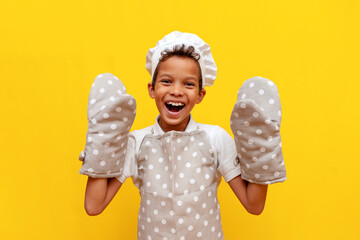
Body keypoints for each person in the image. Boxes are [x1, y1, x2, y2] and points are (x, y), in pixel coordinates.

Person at [80, 31, 286, 240]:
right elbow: (93, 205)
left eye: (188, 84)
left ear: (200, 95)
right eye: (167, 81)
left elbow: (254, 205)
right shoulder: (137, 142)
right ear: (152, 89)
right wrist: (104, 140)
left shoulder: (215, 138)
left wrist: (261, 148)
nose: (176, 91)